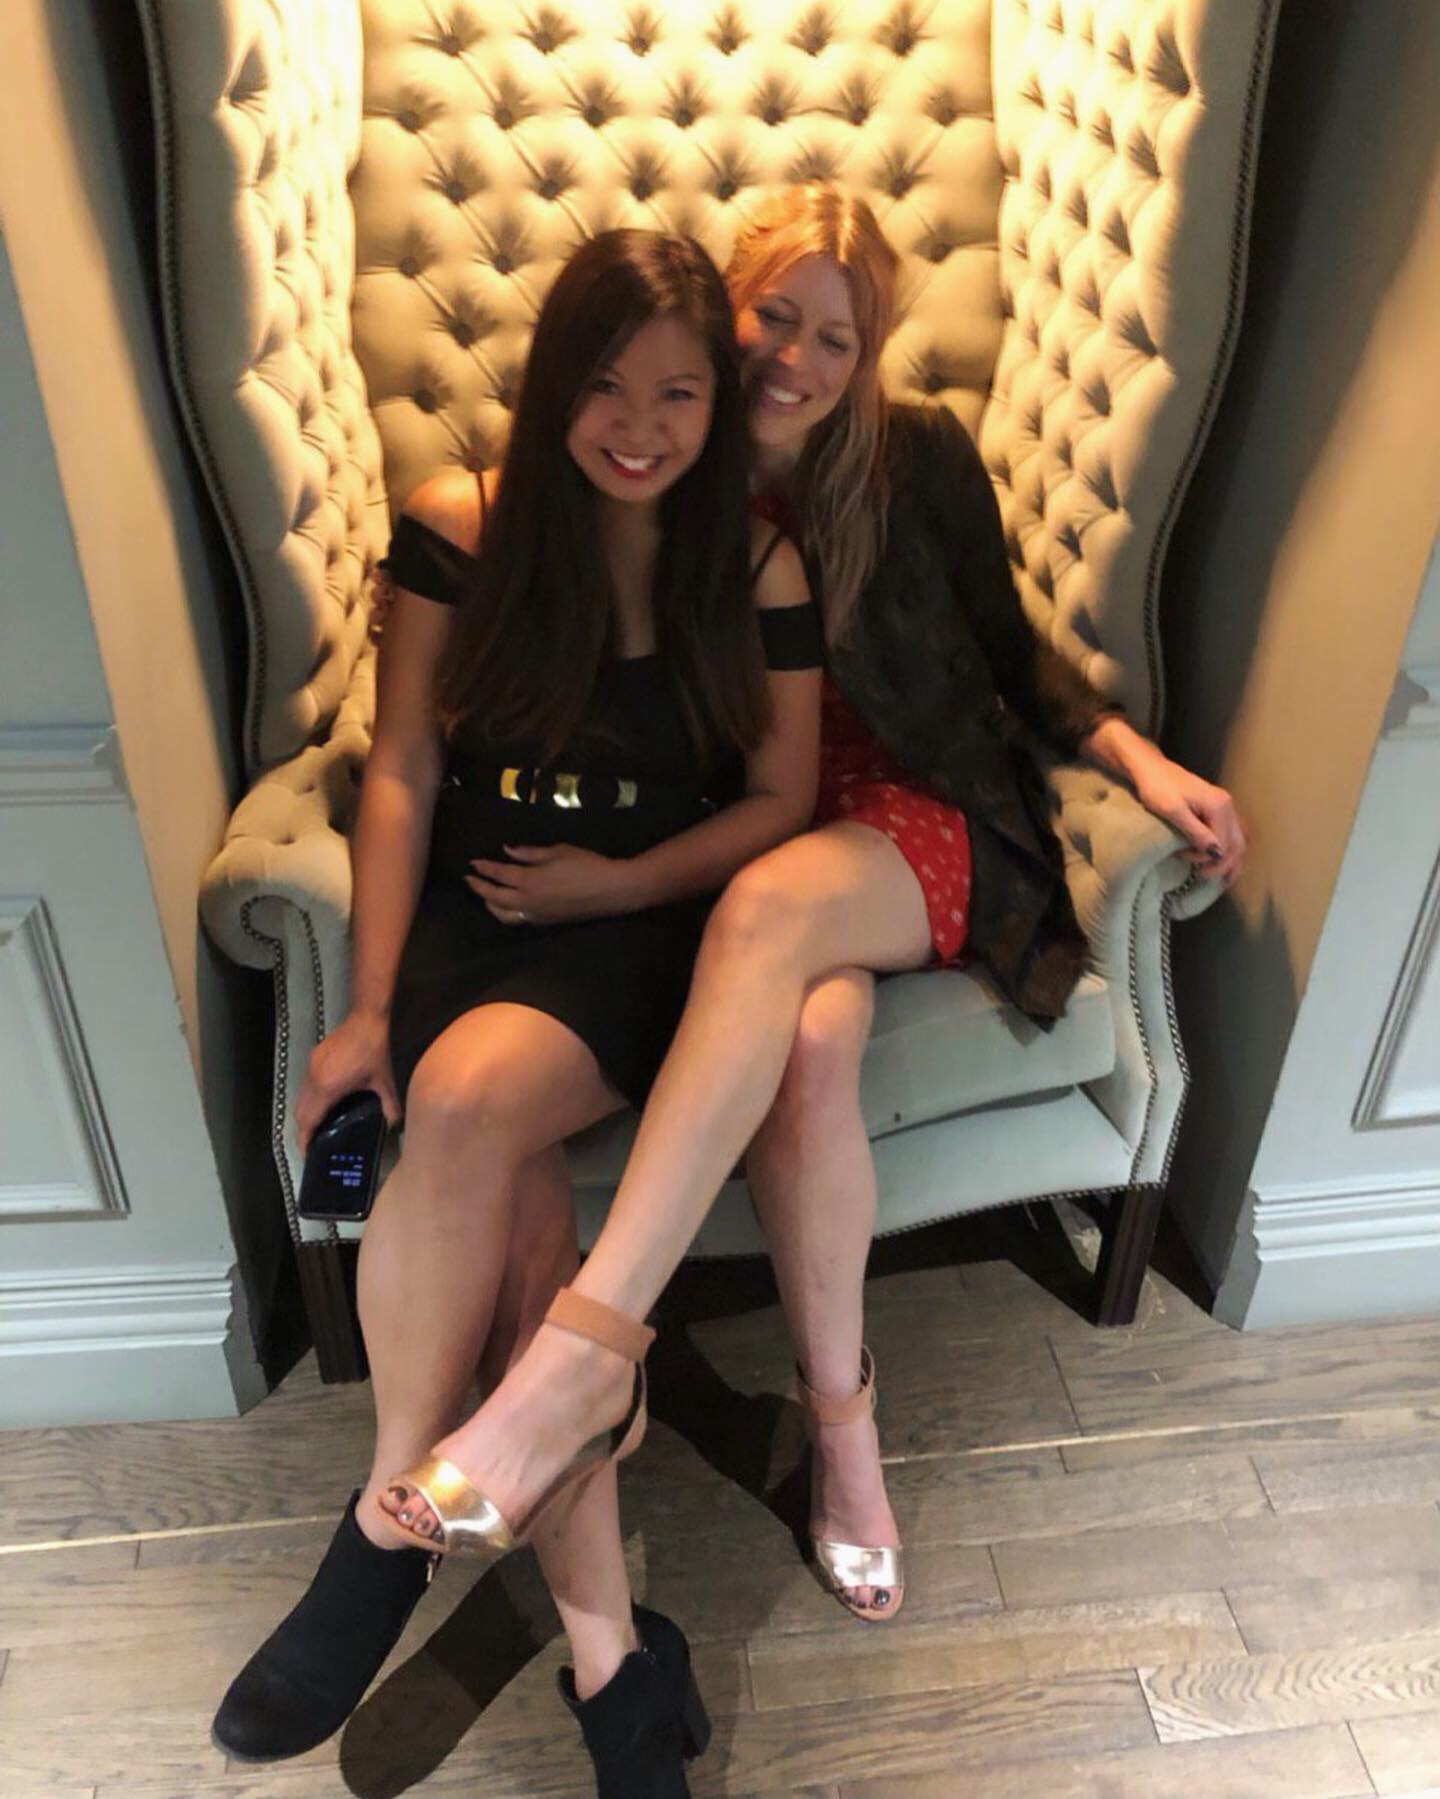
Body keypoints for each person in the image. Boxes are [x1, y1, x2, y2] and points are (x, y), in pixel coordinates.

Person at [381, 187, 1247, 1624]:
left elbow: (1010, 653)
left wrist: (1142, 763)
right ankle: (845, 1436)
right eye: (772, 316)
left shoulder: (913, 457)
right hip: (748, 826)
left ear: (870, 353)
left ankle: (584, 1355)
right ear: (722, 310)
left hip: (914, 813)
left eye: (836, 338)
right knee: (812, 1046)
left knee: (770, 912)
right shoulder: (666, 454)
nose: (796, 358)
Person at [211, 228, 822, 1796]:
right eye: (608, 386)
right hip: (466, 921)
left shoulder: (754, 566)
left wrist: (618, 886)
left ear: (718, 406)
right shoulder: (458, 527)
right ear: (556, 384)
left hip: (635, 931)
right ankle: (620, 1675)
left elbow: (782, 800)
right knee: (526, 1262)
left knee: (474, 1101)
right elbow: (404, 770)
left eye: (680, 394)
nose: (640, 426)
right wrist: (365, 1010)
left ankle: (388, 1526)